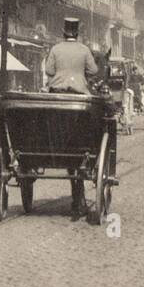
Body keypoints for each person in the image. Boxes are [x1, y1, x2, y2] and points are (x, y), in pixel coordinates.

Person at [44, 17, 98, 218]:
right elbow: (94, 70)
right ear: (78, 33)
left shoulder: (56, 49)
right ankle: (86, 150)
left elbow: (49, 71)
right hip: (78, 96)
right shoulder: (84, 50)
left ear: (63, 31)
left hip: (57, 95)